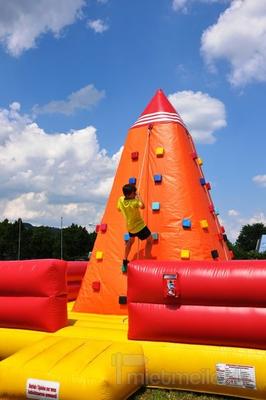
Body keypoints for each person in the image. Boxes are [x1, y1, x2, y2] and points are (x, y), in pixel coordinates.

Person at [117, 183, 153, 268]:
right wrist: (139, 196)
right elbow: (143, 206)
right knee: (150, 239)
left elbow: (118, 209)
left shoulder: (121, 199)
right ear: (129, 195)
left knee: (131, 241)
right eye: (134, 193)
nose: (135, 194)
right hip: (139, 226)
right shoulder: (134, 202)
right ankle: (147, 259)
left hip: (130, 227)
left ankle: (125, 260)